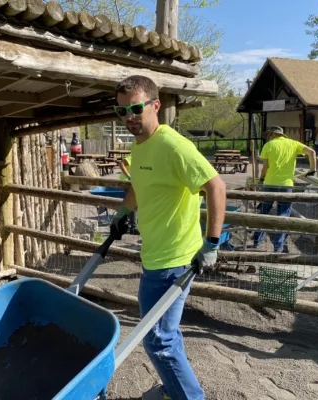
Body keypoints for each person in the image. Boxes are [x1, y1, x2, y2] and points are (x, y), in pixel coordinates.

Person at [109, 75, 227, 400]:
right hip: (155, 255)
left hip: (174, 262)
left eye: (135, 108)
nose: (129, 117)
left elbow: (216, 186)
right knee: (165, 337)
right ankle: (173, 389)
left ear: (155, 105)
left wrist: (212, 243)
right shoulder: (140, 145)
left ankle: (188, 397)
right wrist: (123, 212)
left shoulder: (174, 146)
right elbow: (138, 184)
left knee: (157, 339)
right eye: (122, 111)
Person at [252, 126, 317, 252]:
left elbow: (265, 167)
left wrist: (261, 179)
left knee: (264, 213)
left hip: (270, 184)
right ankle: (278, 247)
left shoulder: (269, 145)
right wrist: (312, 169)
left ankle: (257, 241)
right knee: (283, 216)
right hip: (286, 185)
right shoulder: (293, 144)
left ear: (272, 135)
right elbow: (312, 152)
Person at [118, 155, 139, 235]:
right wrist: (128, 176)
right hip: (127, 181)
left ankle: (126, 222)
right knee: (133, 202)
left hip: (133, 182)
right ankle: (133, 227)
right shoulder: (134, 155)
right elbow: (121, 163)